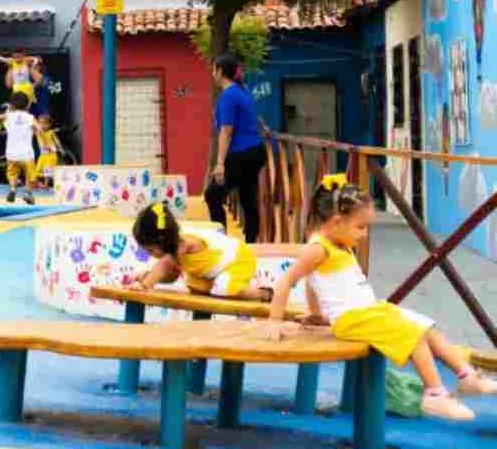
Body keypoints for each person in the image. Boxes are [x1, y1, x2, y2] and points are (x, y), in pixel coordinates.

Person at [262, 175, 497, 421]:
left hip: (369, 312)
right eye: (361, 227)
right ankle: (435, 394)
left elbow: (313, 282)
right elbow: (287, 281)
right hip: (353, 319)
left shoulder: (338, 243)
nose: (364, 234)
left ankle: (467, 376)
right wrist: (274, 320)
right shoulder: (318, 249)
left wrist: (317, 313)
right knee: (413, 334)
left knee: (426, 327)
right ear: (336, 222)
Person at [128, 203, 272, 301]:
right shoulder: (173, 254)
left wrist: (144, 286)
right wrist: (146, 276)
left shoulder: (184, 245)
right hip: (214, 272)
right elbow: (171, 277)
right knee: (193, 285)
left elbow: (164, 265)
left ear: (162, 239)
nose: (150, 254)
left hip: (238, 260)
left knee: (223, 288)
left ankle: (264, 294)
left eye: (150, 250)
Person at [204, 53, 266, 242]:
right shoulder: (243, 91)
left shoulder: (229, 95)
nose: (212, 74)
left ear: (220, 71)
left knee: (212, 195)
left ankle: (221, 241)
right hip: (256, 151)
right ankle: (251, 244)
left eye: (214, 69)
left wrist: (220, 164)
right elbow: (252, 118)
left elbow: (226, 131)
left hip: (241, 154)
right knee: (248, 198)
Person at [0, 91, 37, 205]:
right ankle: (27, 192)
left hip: (11, 153)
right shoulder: (30, 117)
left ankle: (13, 189)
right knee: (30, 175)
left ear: (12, 105)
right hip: (27, 154)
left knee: (12, 174)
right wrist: (35, 131)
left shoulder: (8, 116)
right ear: (27, 105)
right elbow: (38, 128)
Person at [33, 113, 61, 190]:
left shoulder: (51, 132)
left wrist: (60, 148)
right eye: (40, 123)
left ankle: (46, 184)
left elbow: (56, 141)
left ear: (49, 125)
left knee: (47, 170)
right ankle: (35, 183)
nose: (42, 125)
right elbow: (32, 129)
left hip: (51, 154)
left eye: (44, 123)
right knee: (38, 168)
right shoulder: (38, 132)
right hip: (43, 154)